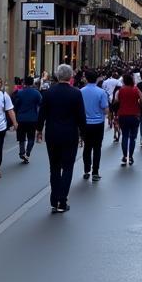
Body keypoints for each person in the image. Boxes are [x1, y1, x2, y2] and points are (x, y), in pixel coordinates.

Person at [37, 64, 87, 212]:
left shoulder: (49, 92)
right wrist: (83, 134)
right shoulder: (76, 93)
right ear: (70, 76)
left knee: (54, 167)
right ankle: (62, 201)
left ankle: (54, 199)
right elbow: (81, 116)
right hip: (70, 135)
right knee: (67, 168)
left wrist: (39, 129)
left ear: (57, 76)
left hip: (52, 134)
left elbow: (42, 113)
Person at [80, 71, 109, 180]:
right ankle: (95, 172)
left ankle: (86, 170)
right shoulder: (101, 92)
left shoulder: (81, 91)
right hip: (98, 123)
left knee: (87, 147)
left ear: (86, 79)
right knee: (97, 147)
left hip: (85, 123)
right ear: (97, 79)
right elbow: (106, 110)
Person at [113, 73, 142, 166]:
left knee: (125, 136)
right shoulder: (136, 90)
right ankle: (130, 157)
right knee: (133, 138)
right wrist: (138, 104)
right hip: (135, 115)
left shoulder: (120, 91)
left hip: (123, 115)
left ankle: (124, 156)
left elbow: (116, 101)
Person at [12, 77, 42, 163]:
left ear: (24, 83)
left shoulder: (20, 93)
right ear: (32, 83)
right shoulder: (36, 93)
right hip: (32, 119)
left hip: (21, 118)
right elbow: (41, 104)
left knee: (21, 138)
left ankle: (22, 152)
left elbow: (16, 105)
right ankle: (28, 153)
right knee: (31, 138)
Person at [102, 70, 123, 142]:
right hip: (117, 102)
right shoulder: (118, 82)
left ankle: (110, 120)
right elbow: (121, 90)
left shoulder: (105, 82)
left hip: (109, 100)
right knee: (117, 117)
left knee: (111, 113)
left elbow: (103, 90)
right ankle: (117, 128)